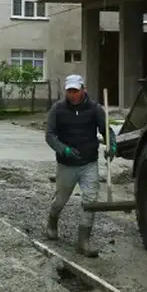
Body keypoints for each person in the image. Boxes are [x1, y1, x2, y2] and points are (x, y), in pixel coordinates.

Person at [44, 74, 116, 258]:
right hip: (67, 164)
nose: (73, 94)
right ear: (66, 91)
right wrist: (63, 150)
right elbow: (50, 135)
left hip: (89, 163)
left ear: (83, 89)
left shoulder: (94, 109)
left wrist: (112, 145)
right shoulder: (57, 109)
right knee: (60, 200)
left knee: (90, 200)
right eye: (69, 91)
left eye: (76, 90)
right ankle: (52, 222)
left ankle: (83, 241)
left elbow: (106, 130)